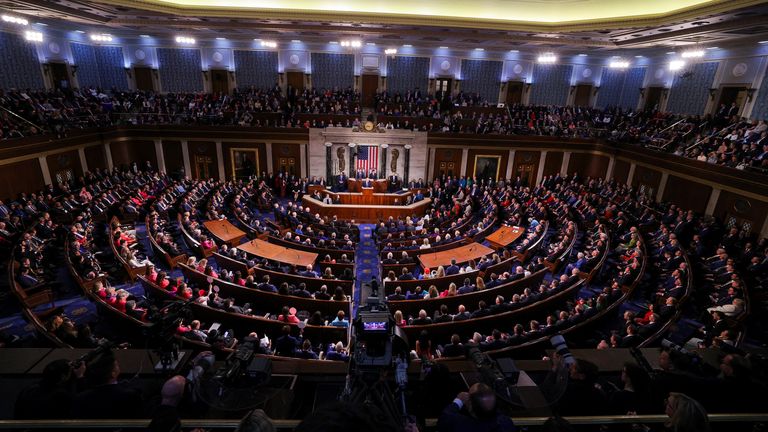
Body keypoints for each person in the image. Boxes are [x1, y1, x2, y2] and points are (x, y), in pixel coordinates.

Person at [72, 350, 144, 419]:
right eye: (117, 365)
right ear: (113, 373)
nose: (119, 367)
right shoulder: (131, 396)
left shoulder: (81, 398)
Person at [15, 359, 86, 419]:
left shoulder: (29, 388)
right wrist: (80, 377)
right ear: (63, 377)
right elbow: (80, 405)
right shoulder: (61, 395)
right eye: (71, 370)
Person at [437, 383, 516, 431]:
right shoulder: (506, 423)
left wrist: (458, 401)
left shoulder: (458, 424)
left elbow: (445, 417)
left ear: (471, 408)